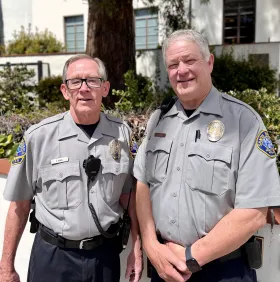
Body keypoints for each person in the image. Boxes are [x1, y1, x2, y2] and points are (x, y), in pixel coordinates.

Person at [133, 29, 280, 282]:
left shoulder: (244, 122)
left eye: (190, 60)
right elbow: (143, 183)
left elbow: (255, 210)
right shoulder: (159, 120)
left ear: (209, 62)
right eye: (173, 64)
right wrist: (150, 244)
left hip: (223, 271)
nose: (181, 70)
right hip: (165, 268)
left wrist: (190, 258)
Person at [0, 54, 143, 282]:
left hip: (104, 257)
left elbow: (129, 197)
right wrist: (6, 267)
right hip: (53, 259)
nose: (84, 89)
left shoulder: (122, 135)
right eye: (76, 81)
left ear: (105, 88)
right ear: (65, 91)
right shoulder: (39, 138)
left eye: (92, 81)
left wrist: (137, 246)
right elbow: (20, 205)